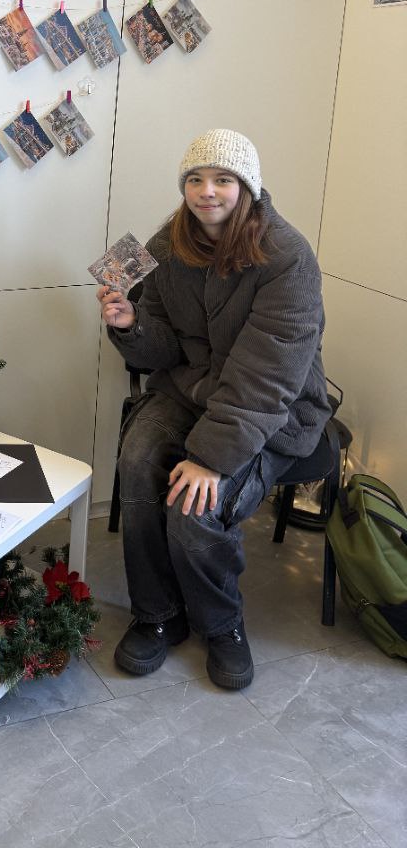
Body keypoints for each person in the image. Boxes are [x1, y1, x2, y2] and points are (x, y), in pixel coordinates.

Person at [98, 129, 330, 689]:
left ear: (246, 186)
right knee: (137, 459)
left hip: (274, 412)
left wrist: (209, 458)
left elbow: (267, 377)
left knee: (194, 506)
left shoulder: (288, 257)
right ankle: (157, 614)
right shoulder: (167, 245)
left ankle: (221, 623)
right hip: (190, 391)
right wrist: (132, 326)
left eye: (223, 179)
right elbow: (163, 349)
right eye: (196, 180)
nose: (207, 191)